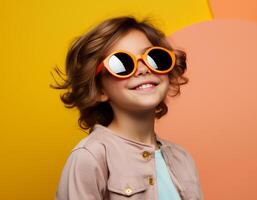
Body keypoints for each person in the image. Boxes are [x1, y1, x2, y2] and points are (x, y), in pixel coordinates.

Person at [50, 16, 204, 200]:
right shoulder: (90, 158)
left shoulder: (182, 159)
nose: (143, 69)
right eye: (122, 63)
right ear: (99, 89)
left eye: (153, 57)